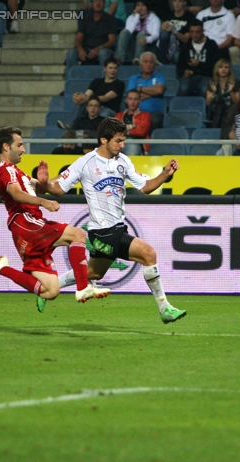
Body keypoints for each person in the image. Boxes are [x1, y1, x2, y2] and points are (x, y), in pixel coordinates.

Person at [40, 118, 187, 324]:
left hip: (116, 228)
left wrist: (164, 174)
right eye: (118, 140)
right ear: (103, 140)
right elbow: (59, 189)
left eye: (123, 140)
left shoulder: (123, 161)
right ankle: (165, 308)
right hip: (103, 231)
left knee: (93, 273)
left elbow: (145, 187)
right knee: (148, 254)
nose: (122, 145)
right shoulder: (85, 163)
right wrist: (45, 183)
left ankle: (46, 288)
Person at [0, 126, 110, 313]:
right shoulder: (5, 170)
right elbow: (16, 194)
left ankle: (1, 268)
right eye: (19, 145)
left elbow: (40, 187)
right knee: (77, 234)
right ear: (6, 147)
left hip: (23, 229)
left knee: (50, 290)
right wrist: (44, 202)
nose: (23, 149)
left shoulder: (16, 172)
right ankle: (83, 287)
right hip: (26, 222)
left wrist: (44, 182)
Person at [65, 0, 118, 69]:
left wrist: (98, 49)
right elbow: (78, 38)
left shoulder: (110, 20)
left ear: (104, 4)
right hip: (86, 49)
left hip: (103, 49)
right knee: (71, 53)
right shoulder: (85, 19)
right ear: (92, 4)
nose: (98, 3)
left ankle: (104, 79)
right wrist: (80, 49)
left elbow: (112, 41)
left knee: (103, 54)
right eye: (95, 1)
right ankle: (72, 78)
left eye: (101, 1)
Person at [177, 19, 219, 97]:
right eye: (192, 32)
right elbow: (179, 67)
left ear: (202, 31)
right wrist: (184, 71)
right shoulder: (186, 46)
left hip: (206, 76)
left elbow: (214, 67)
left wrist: (199, 64)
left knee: (204, 90)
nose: (194, 35)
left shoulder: (211, 45)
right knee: (183, 89)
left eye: (197, 32)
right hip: (189, 77)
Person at [126, 51, 167, 130]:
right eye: (146, 62)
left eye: (151, 62)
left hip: (155, 113)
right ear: (141, 65)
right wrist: (152, 93)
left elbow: (160, 90)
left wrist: (139, 89)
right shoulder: (134, 78)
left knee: (155, 120)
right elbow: (131, 95)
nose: (148, 64)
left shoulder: (160, 77)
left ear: (154, 65)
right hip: (136, 112)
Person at [114, 0, 161, 64]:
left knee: (141, 33)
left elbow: (156, 35)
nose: (140, 8)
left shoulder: (154, 18)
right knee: (123, 32)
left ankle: (138, 59)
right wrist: (136, 17)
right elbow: (128, 31)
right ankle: (119, 58)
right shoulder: (130, 18)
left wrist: (147, 39)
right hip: (132, 47)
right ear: (135, 7)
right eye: (138, 5)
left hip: (148, 47)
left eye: (143, 5)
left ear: (147, 7)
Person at [158, 0, 196, 64]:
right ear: (172, 2)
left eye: (180, 1)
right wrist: (162, 28)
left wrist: (173, 30)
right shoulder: (168, 15)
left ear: (184, 3)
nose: (177, 4)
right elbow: (161, 35)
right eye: (175, 1)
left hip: (181, 49)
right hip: (167, 48)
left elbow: (186, 39)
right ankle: (162, 60)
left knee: (177, 56)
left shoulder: (189, 16)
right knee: (164, 33)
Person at [115, 89, 152, 155]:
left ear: (140, 101)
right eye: (130, 99)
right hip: (118, 142)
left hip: (136, 143)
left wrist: (124, 129)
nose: (132, 102)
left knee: (132, 147)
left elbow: (141, 132)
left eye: (135, 99)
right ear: (126, 100)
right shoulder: (119, 115)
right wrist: (132, 127)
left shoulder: (145, 115)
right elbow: (114, 130)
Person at [206, 58, 240, 127]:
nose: (223, 69)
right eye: (220, 67)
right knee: (220, 108)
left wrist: (231, 91)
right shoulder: (212, 82)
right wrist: (214, 92)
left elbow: (237, 102)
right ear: (217, 69)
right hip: (215, 112)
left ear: (229, 70)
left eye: (226, 67)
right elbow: (208, 102)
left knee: (225, 110)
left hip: (231, 112)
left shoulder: (235, 82)